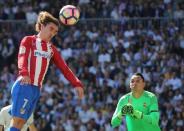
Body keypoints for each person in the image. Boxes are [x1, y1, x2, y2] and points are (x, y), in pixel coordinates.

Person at [9, 11, 84, 131]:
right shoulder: (29, 40)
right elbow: (22, 57)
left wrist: (77, 83)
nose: (53, 33)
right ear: (42, 26)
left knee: (21, 124)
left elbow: (64, 68)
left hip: (36, 90)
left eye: (55, 32)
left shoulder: (51, 49)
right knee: (17, 121)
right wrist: (24, 73)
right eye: (51, 29)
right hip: (25, 84)